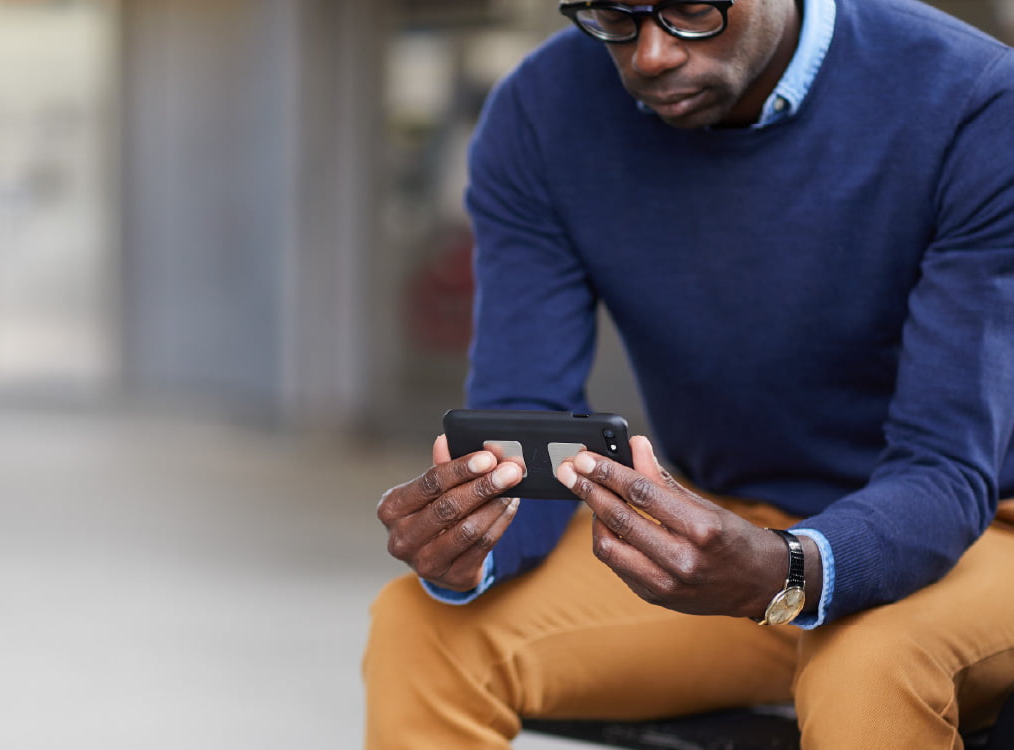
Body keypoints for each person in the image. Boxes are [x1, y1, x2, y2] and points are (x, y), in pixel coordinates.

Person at [363, 0, 1014, 746]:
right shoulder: (543, 112)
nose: (650, 56)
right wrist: (472, 543)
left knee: (868, 660)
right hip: (736, 523)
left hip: (984, 530)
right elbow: (531, 421)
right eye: (612, 16)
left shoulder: (977, 103)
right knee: (423, 625)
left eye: (691, 10)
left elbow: (946, 471)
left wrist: (791, 571)